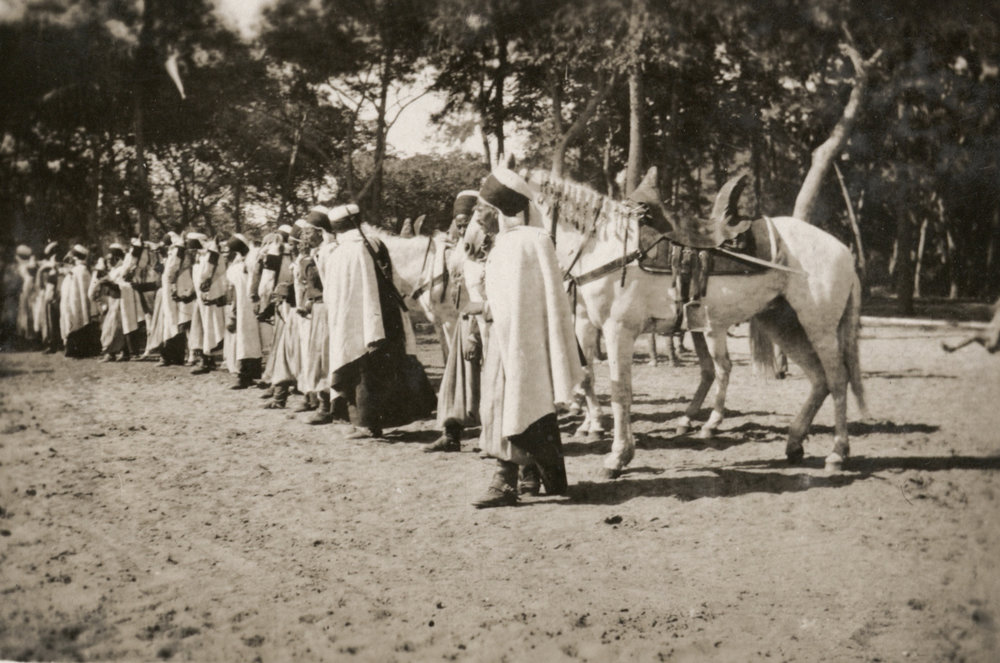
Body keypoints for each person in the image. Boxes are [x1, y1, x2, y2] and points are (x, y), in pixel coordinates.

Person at [471, 166, 583, 508]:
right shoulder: (504, 244)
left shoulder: (531, 241)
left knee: (515, 405)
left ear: (497, 211)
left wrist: (490, 312)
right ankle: (532, 475)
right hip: (506, 342)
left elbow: (537, 301)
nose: (477, 218)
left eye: (480, 210)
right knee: (518, 407)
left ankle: (505, 480)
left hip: (523, 346)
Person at [315, 203, 436, 437]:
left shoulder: (345, 251)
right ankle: (376, 423)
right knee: (383, 370)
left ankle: (368, 424)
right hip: (386, 318)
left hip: (361, 322)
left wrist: (367, 325)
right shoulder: (373, 243)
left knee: (366, 374)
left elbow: (341, 293)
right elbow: (393, 280)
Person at [423, 191, 488, 453]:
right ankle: (451, 434)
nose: (462, 227)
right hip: (464, 318)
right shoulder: (458, 246)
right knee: (457, 379)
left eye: (467, 222)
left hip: (483, 320)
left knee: (487, 378)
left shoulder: (484, 246)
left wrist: (474, 331)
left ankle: (491, 438)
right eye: (458, 223)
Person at [224, 234, 263, 389]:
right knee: (247, 341)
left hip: (248, 306)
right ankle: (246, 374)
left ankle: (246, 375)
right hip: (245, 307)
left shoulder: (243, 264)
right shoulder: (244, 263)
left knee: (247, 340)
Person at [191, 236, 228, 375]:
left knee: (211, 325)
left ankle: (207, 360)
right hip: (205, 295)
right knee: (206, 326)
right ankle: (207, 359)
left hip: (212, 293)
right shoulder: (203, 256)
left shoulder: (212, 255)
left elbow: (204, 275)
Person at [59, 244, 100, 358]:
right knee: (73, 322)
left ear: (76, 257)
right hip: (73, 302)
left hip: (77, 303)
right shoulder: (77, 270)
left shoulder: (81, 271)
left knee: (78, 324)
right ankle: (73, 349)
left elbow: (84, 291)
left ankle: (80, 350)